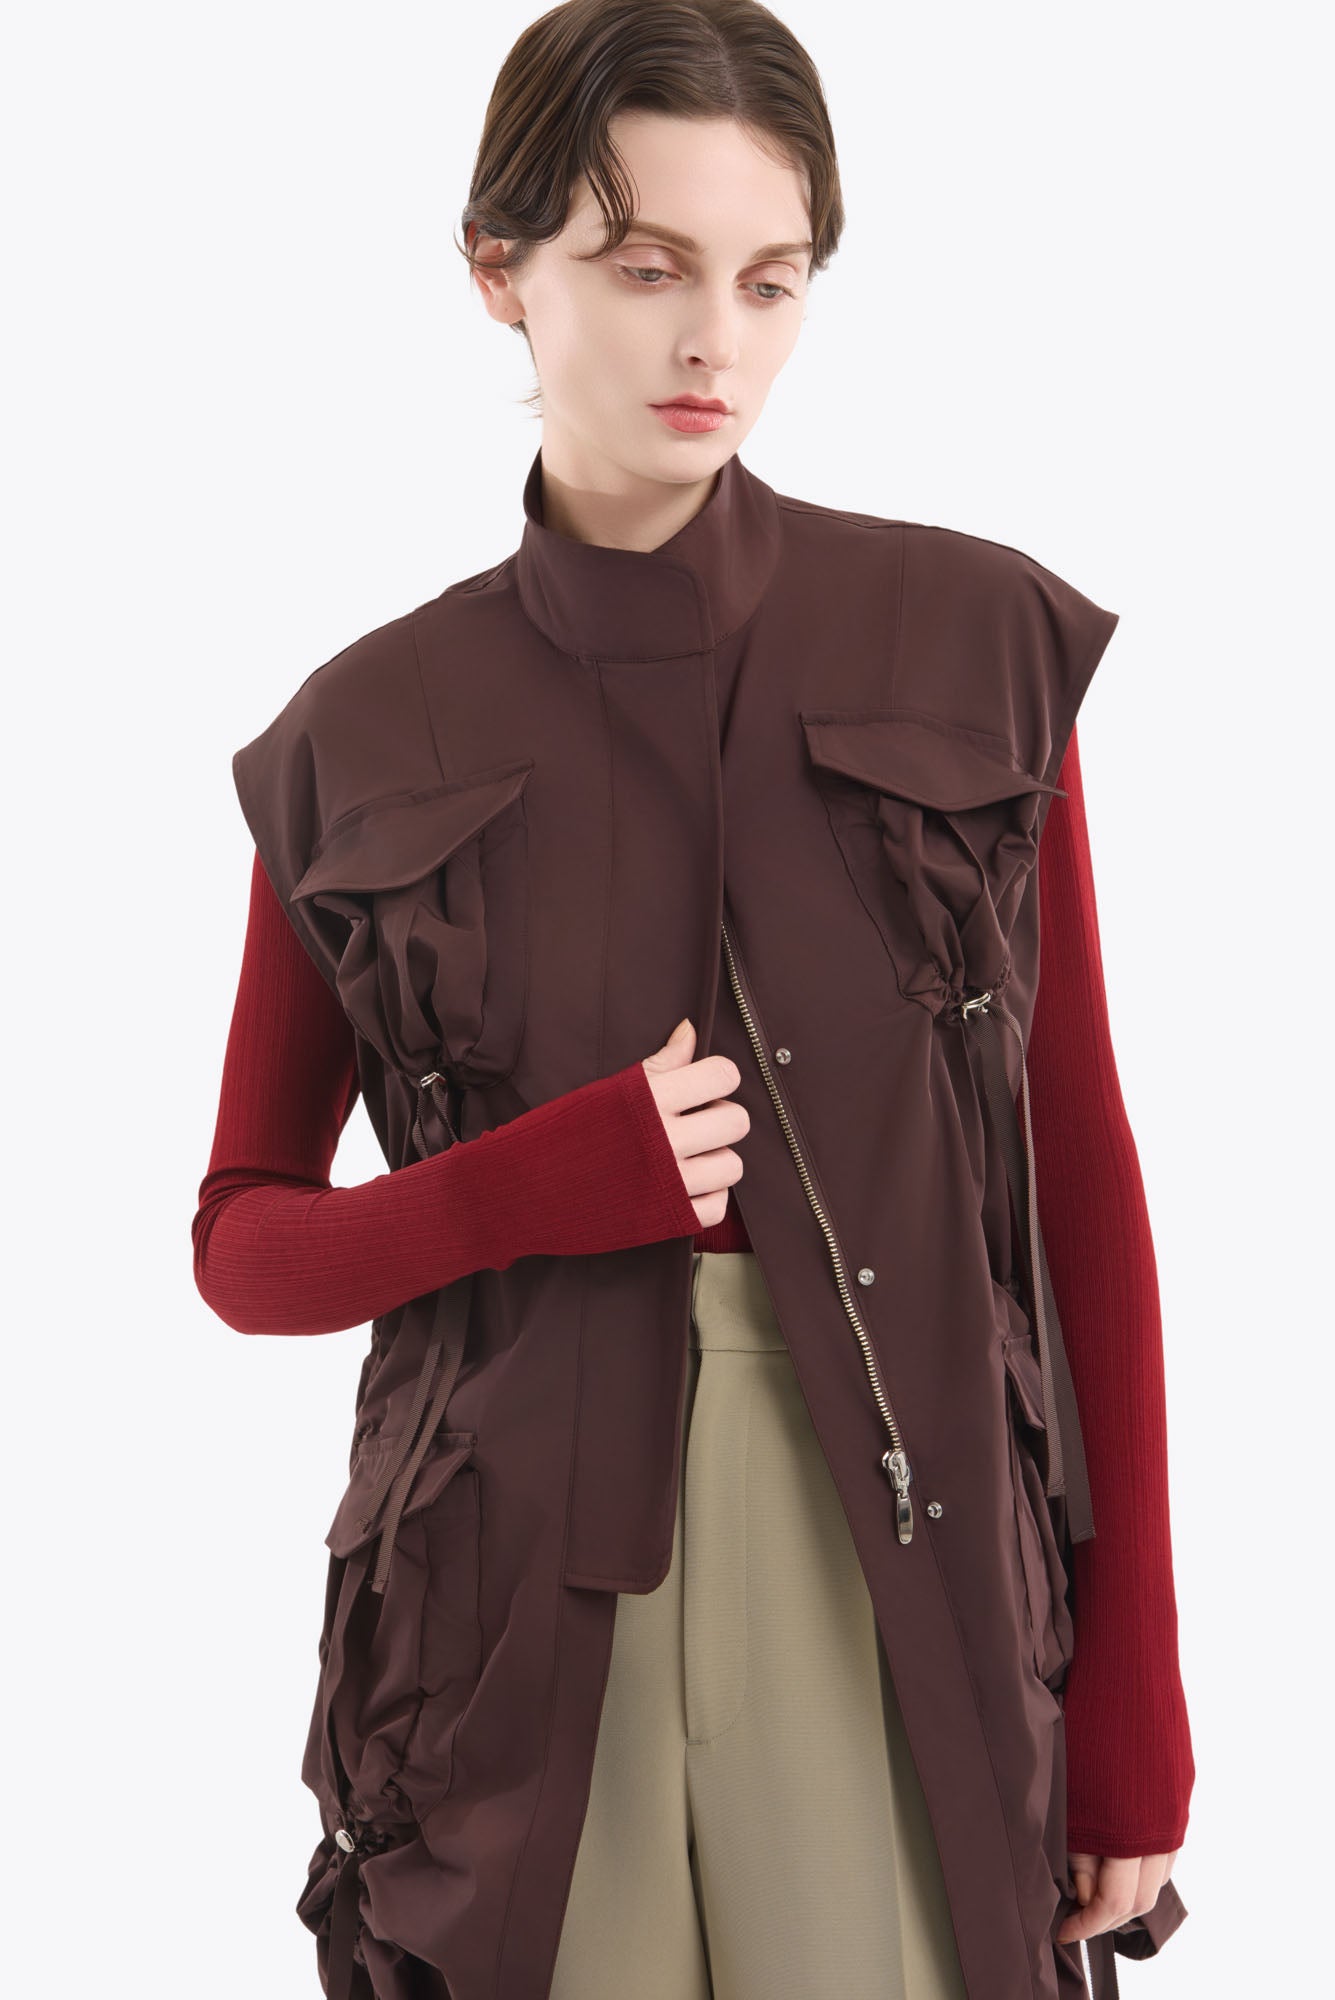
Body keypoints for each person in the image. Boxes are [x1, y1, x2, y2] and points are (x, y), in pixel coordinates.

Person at [194, 4, 1193, 1994]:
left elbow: (1073, 1170)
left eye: (768, 279)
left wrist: (1137, 1697)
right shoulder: (357, 737)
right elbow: (244, 1245)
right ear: (499, 269)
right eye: (645, 267)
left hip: (889, 1540)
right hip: (499, 1610)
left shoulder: (973, 645)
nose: (711, 343)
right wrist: (526, 1187)